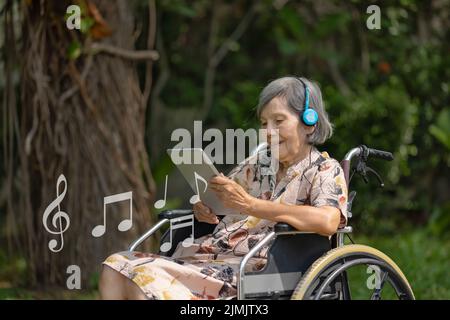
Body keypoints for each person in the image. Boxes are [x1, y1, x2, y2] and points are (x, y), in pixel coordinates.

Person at [99, 76, 348, 300]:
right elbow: (225, 199)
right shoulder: (257, 165)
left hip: (251, 271)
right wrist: (205, 207)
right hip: (208, 257)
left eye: (279, 121)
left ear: (309, 123)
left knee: (145, 278)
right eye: (264, 124)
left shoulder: (324, 169)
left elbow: (327, 220)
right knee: (116, 266)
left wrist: (253, 205)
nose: (269, 132)